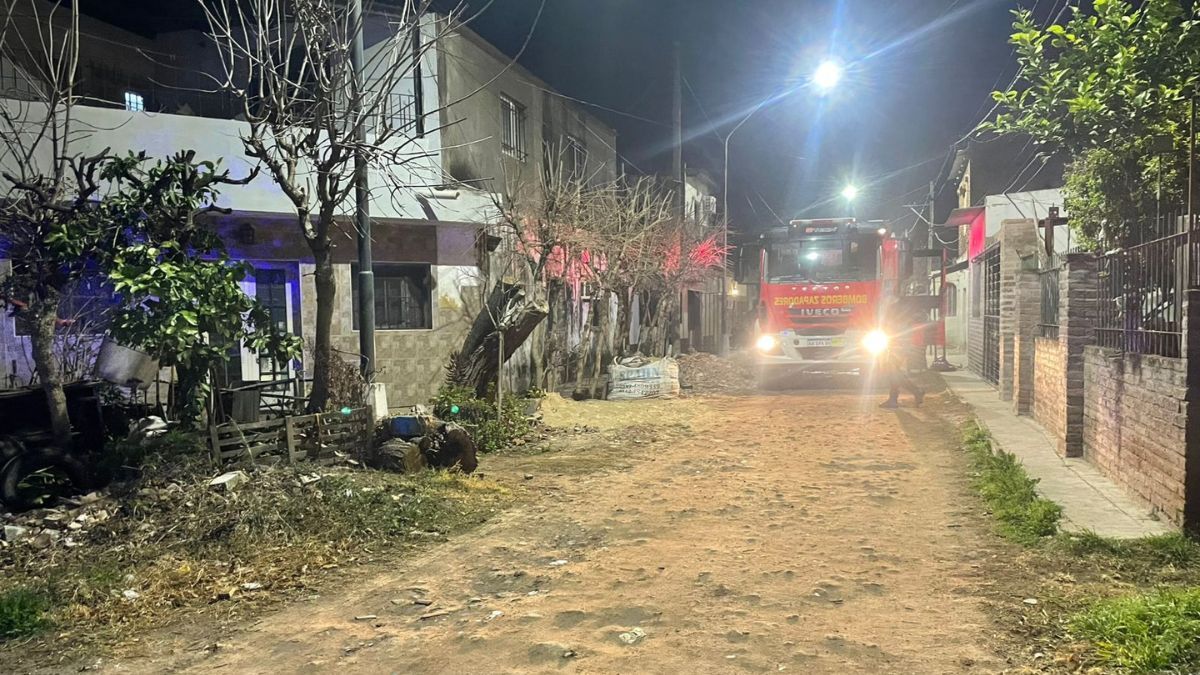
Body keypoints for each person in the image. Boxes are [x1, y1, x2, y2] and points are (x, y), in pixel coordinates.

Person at [878, 298, 925, 409]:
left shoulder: (897, 321)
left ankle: (912, 392)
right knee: (894, 373)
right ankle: (899, 397)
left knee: (893, 373)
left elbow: (895, 335)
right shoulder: (902, 318)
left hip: (898, 348)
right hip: (899, 348)